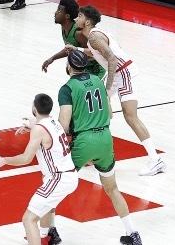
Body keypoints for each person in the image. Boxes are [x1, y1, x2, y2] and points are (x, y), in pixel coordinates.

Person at [59, 49, 144, 245]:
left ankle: (49, 231)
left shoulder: (67, 88)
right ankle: (132, 233)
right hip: (105, 138)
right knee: (112, 189)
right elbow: (111, 114)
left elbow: (63, 125)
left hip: (83, 141)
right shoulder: (98, 81)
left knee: (55, 183)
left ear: (69, 66)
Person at [76, 6, 163, 176]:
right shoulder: (94, 37)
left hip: (123, 72)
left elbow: (113, 60)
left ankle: (156, 160)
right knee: (95, 107)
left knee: (130, 116)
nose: (76, 18)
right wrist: (76, 50)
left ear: (87, 21)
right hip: (116, 72)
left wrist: (107, 91)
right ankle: (95, 152)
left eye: (79, 16)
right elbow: (97, 53)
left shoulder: (94, 37)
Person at [0, 93, 79, 245]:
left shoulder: (38, 129)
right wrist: (31, 127)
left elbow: (26, 158)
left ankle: (41, 237)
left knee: (28, 219)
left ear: (34, 108)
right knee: (45, 206)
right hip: (68, 175)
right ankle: (44, 237)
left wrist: (4, 160)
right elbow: (42, 129)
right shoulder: (53, 122)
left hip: (58, 178)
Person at [40, 0, 107, 79]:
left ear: (67, 16)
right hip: (84, 68)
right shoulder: (64, 27)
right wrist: (52, 58)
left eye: (59, 10)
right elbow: (71, 48)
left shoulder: (79, 33)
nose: (56, 13)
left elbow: (94, 53)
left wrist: (72, 63)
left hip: (96, 69)